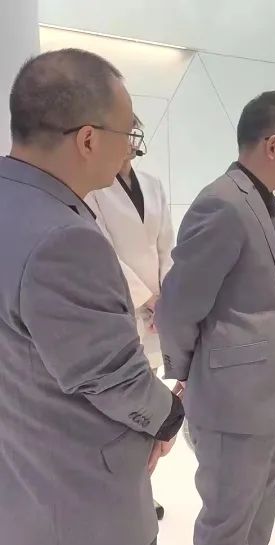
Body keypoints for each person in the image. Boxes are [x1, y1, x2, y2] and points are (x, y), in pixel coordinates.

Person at [0, 49, 182, 545]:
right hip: (84, 526)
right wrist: (169, 414)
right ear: (87, 139)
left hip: (20, 507)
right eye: (129, 135)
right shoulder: (64, 236)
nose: (131, 148)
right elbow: (109, 376)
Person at [156, 91, 275, 545]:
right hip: (231, 404)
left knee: (256, 527)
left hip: (268, 400)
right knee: (224, 537)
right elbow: (178, 305)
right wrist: (189, 371)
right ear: (274, 144)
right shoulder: (222, 203)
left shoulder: (263, 201)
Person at [85, 114, 174, 521]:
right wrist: (147, 298)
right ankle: (115, 490)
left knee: (148, 402)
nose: (131, 138)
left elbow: (168, 248)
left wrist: (167, 300)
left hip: (157, 313)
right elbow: (102, 250)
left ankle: (142, 487)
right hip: (120, 308)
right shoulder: (93, 189)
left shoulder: (153, 185)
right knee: (118, 408)